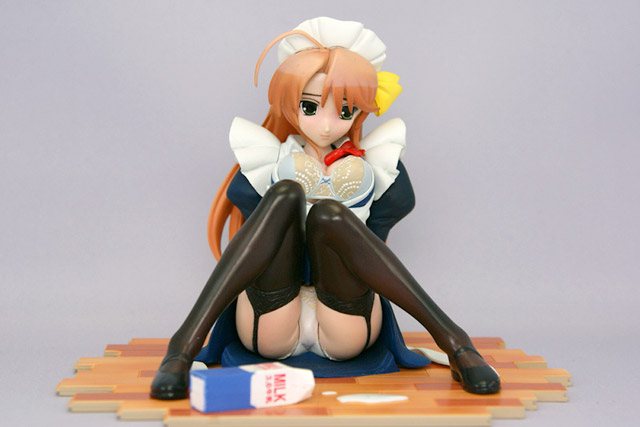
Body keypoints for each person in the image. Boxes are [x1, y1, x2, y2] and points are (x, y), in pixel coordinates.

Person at [150, 17, 500, 400]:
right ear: (290, 102)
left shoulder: (374, 164)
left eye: (344, 111)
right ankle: (182, 347)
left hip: (344, 313)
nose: (327, 125)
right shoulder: (270, 159)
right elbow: (256, 238)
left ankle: (455, 342)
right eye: (310, 106)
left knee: (329, 215)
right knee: (284, 194)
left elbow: (378, 238)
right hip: (273, 312)